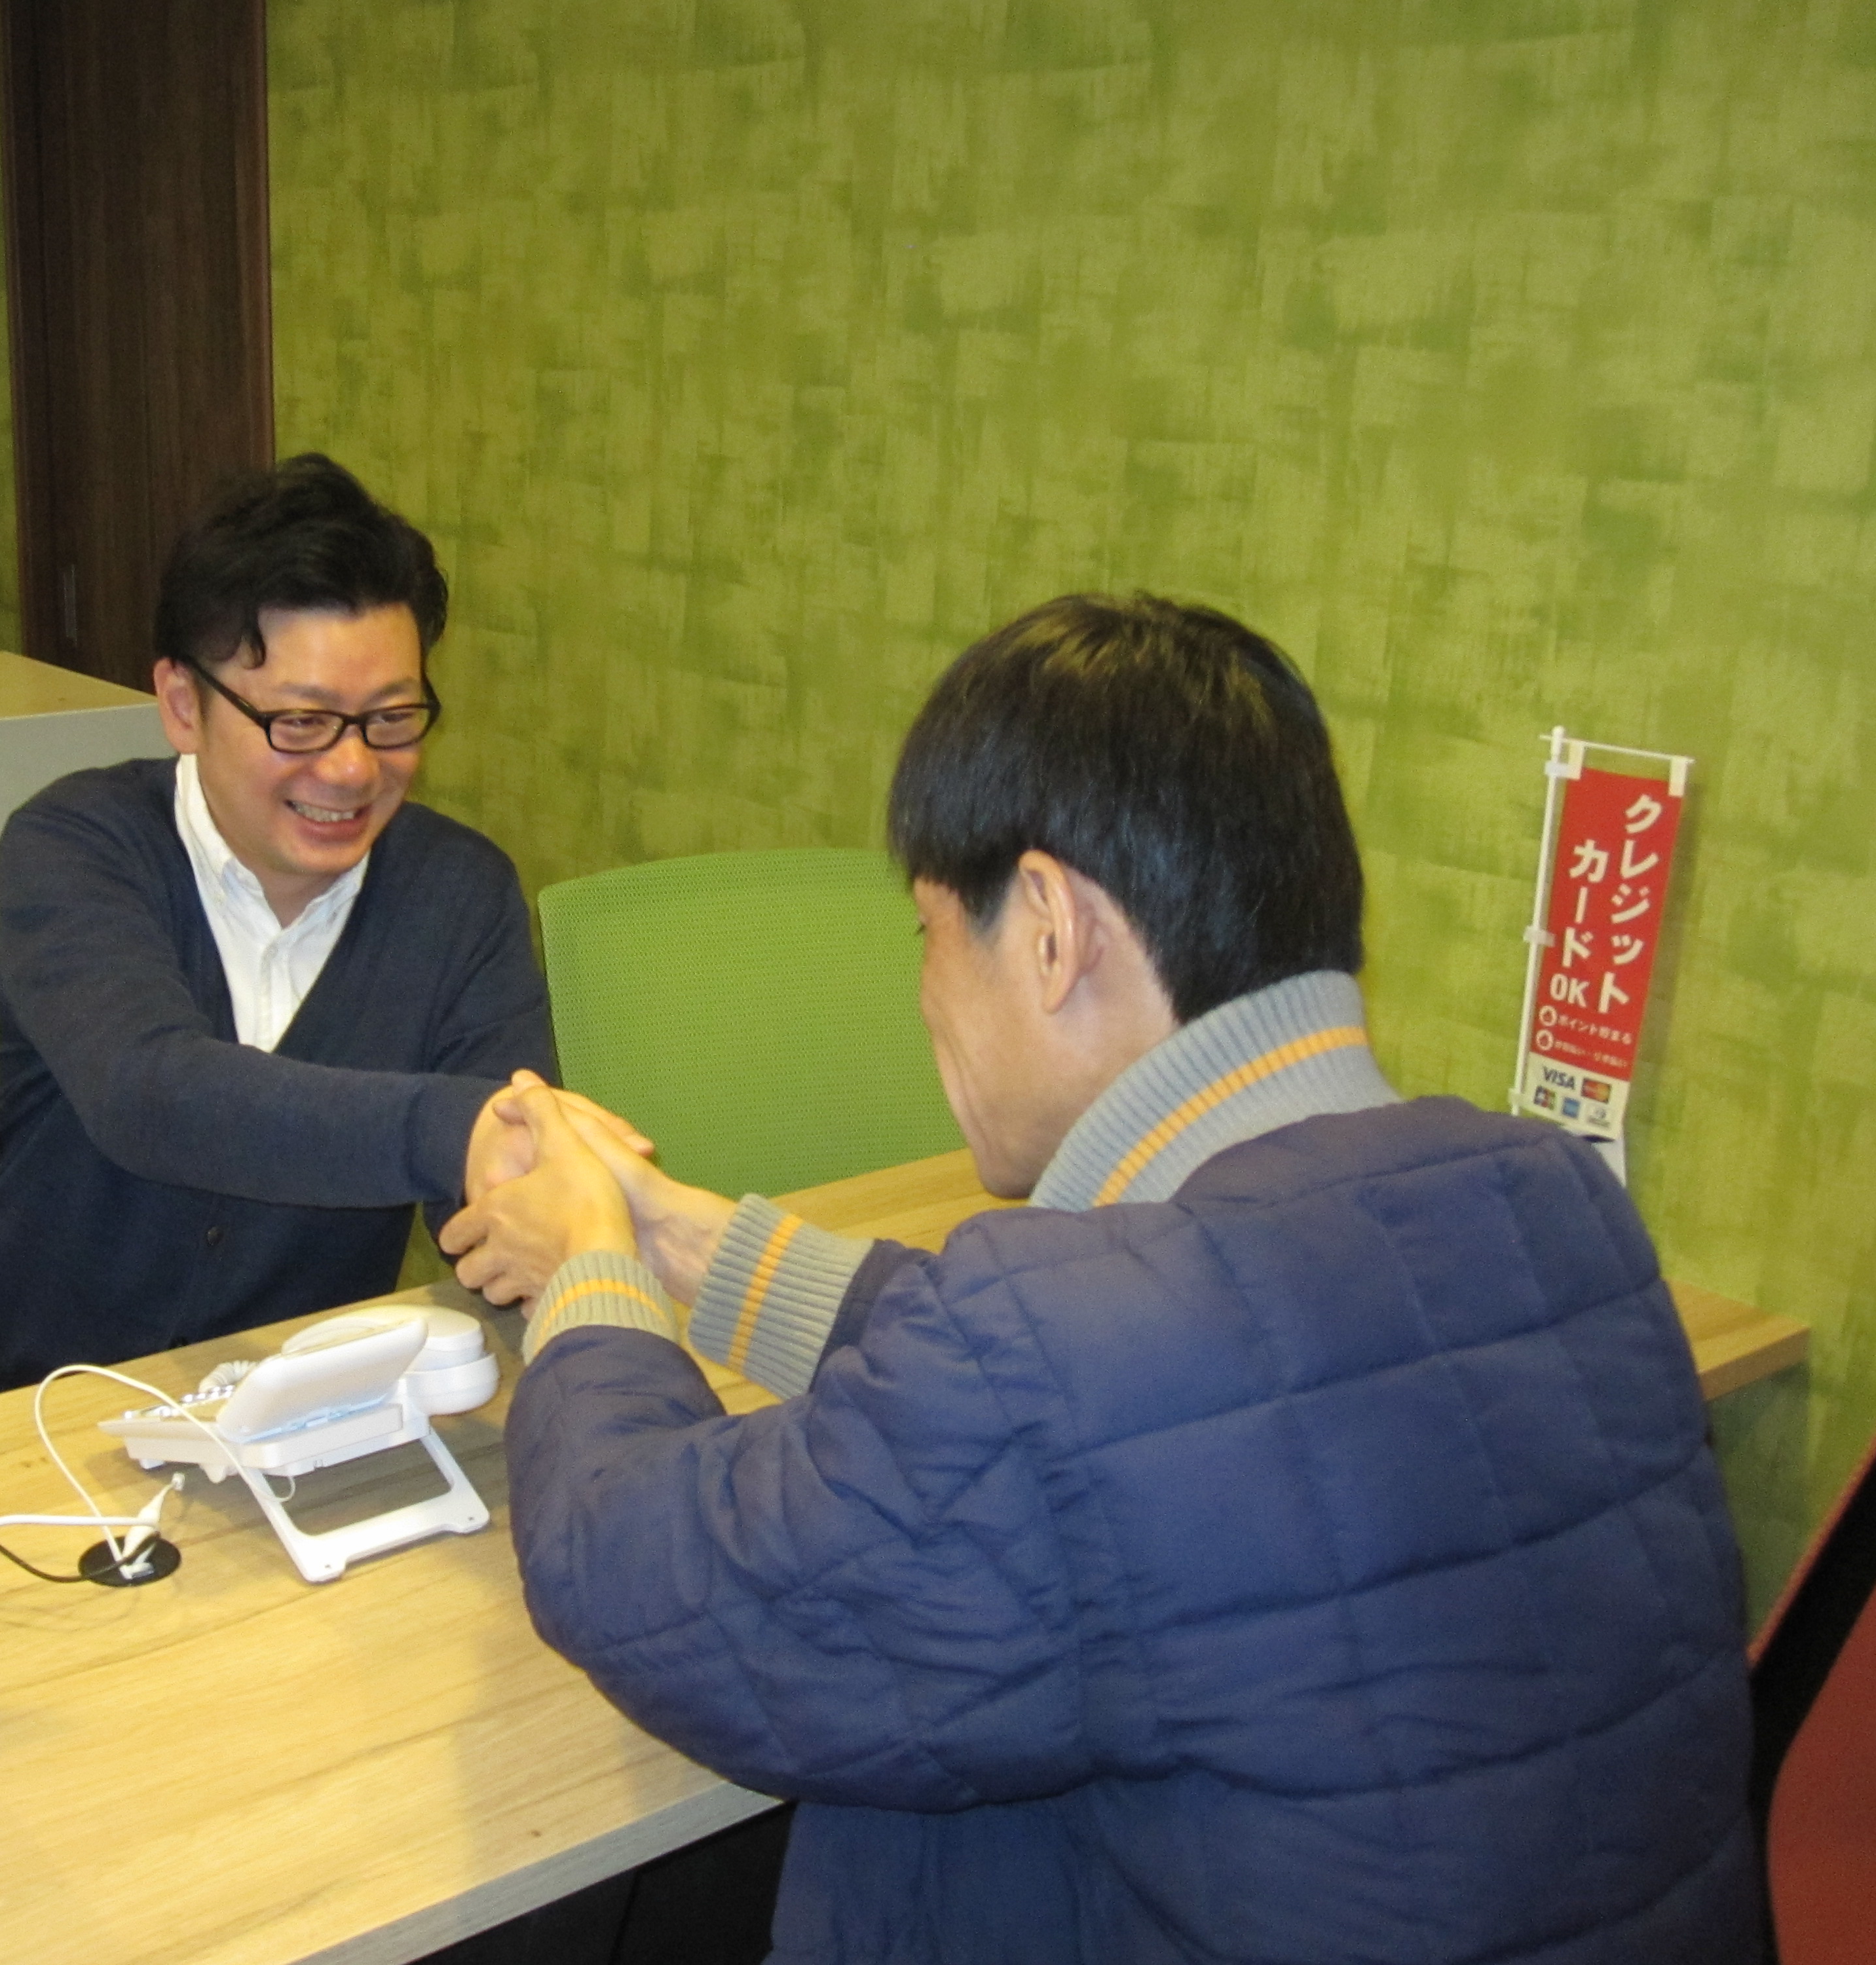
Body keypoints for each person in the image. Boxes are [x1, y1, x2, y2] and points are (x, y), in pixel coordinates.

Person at [443, 594, 1762, 1964]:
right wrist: (683, 1241)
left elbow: (645, 1581)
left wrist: (588, 1272)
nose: (922, 992)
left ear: (1050, 931)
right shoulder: (1551, 1202)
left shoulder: (1070, 1351)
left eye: (926, 935)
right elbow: (1129, 1412)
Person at [0, 455, 572, 1401]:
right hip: (37, 1410)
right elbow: (149, 1093)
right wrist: (454, 1126)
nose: (354, 770)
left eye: (392, 718)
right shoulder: (76, 845)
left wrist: (545, 1206)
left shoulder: (460, 892)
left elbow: (495, 1204)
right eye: (303, 723)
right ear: (183, 705)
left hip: (312, 1415)